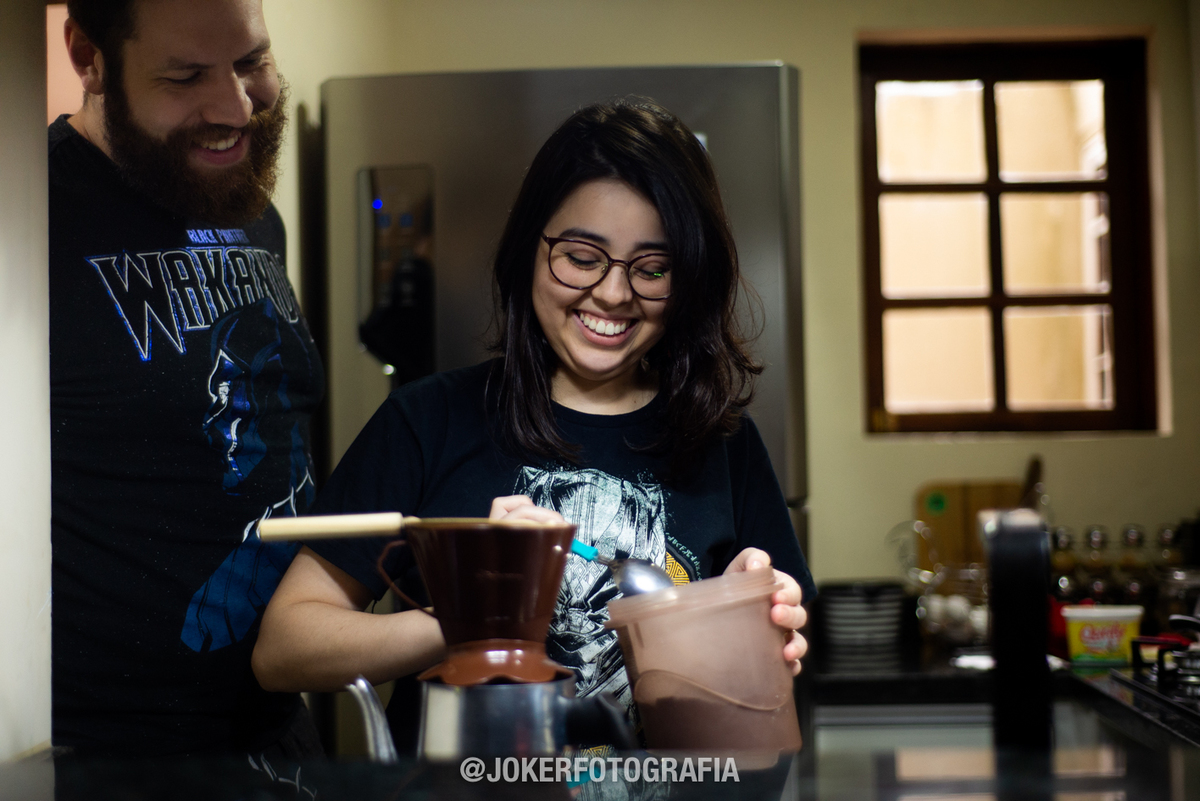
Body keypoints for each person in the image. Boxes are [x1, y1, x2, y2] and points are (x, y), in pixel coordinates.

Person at [252, 98, 814, 750]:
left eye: (652, 268)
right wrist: (473, 618)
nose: (612, 293)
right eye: (581, 256)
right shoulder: (427, 420)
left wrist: (754, 619)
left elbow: (762, 691)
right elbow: (283, 648)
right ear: (529, 250)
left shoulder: (722, 443)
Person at [50, 0, 324, 759]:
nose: (235, 106)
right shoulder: (27, 215)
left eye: (251, 63)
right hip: (109, 756)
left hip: (275, 732)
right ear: (89, 56)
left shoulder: (245, 208)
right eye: (185, 75)